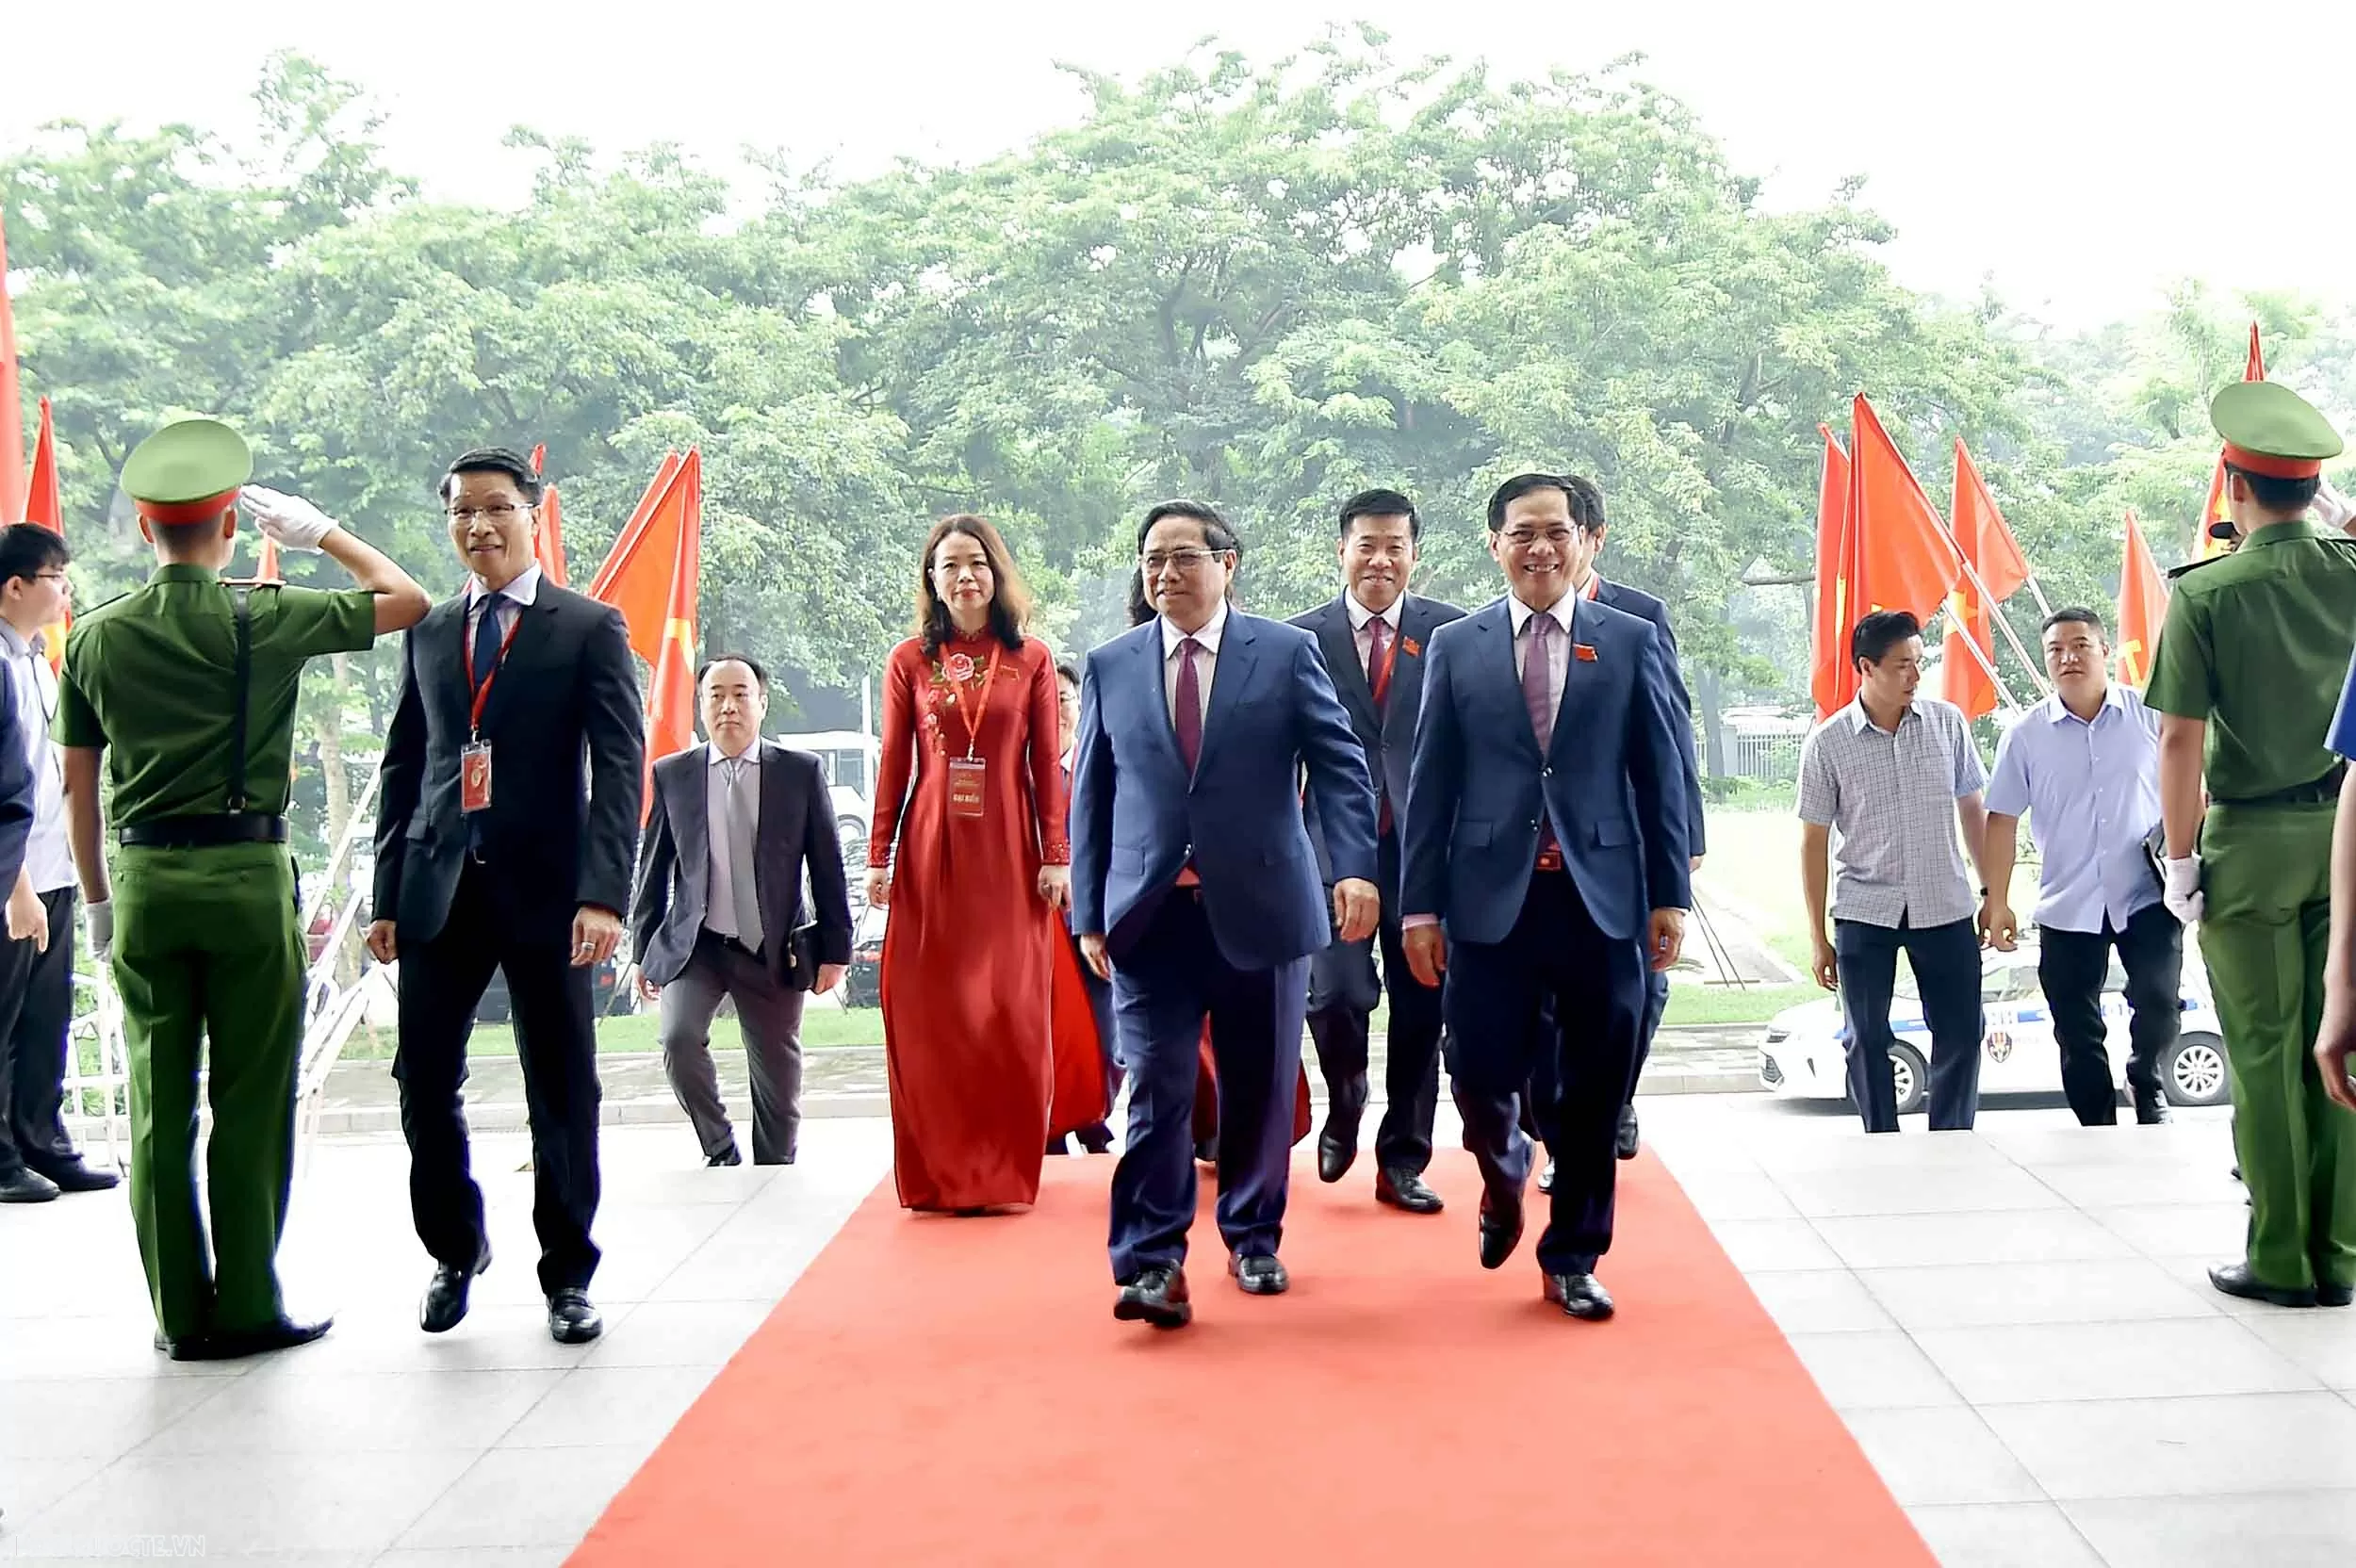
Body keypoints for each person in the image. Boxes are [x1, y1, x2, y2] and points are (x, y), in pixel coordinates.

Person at [55, 417, 430, 1358]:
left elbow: (78, 786)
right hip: (246, 879)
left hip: (141, 884)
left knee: (157, 1104)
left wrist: (99, 901)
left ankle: (180, 1314)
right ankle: (251, 1300)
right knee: (254, 1095)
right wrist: (324, 533)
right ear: (230, 525)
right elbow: (408, 599)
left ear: (146, 531)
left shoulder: (92, 636)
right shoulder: (264, 616)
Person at [1072, 499, 1379, 1329]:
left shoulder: (1284, 653)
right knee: (1158, 1087)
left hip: (1264, 911)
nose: (1166, 574)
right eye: (1152, 560)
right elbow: (1091, 795)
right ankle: (1152, 1261)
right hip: (1148, 920)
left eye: (1183, 557)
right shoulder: (1110, 664)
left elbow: (1341, 766)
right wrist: (1090, 911)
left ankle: (1252, 1235)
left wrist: (1352, 866)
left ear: (1227, 563)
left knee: (1259, 1085)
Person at [368, 447, 644, 1346]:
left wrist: (603, 896)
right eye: (460, 513)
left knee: (560, 1086)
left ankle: (568, 1275)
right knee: (420, 1082)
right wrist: (383, 893)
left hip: (551, 895)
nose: (477, 526)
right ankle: (454, 1248)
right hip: (439, 889)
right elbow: (407, 763)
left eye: (494, 509)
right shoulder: (433, 628)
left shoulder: (587, 626)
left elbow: (620, 766)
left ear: (532, 514)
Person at [1400, 472, 1690, 1323]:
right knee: (1481, 1068)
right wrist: (1420, 907)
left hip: (1601, 897)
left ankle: (1573, 1256)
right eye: (1522, 533)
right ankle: (1501, 1174)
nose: (1541, 548)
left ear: (1586, 540)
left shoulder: (1630, 640)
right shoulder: (1457, 645)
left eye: (1556, 532)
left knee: (1597, 1086)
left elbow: (1659, 772)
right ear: (1495, 545)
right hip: (1492, 898)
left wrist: (1669, 891)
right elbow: (1432, 784)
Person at [2151, 381, 2356, 1310]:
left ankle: (2280, 1256)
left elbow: (2178, 739)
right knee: (2340, 1043)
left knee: (2265, 1047)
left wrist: (2181, 860)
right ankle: (2341, 1250)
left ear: (2231, 485)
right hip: (2348, 828)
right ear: (2312, 488)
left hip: (2251, 840)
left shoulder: (2206, 591)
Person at [864, 514, 1088, 1213]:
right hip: (931, 848)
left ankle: (999, 1172)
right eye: (950, 565)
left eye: (978, 563)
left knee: (1007, 1009)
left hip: (1009, 849)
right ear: (932, 580)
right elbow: (896, 763)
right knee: (935, 1013)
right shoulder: (908, 661)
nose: (965, 577)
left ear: (998, 574)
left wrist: (1057, 855)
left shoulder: (1032, 659)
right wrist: (879, 856)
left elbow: (1045, 769)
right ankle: (940, 1172)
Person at [1285, 488, 1463, 1215]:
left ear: (1415, 554)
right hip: (1331, 851)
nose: (1380, 560)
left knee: (1424, 1006)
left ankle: (1404, 1159)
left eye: (1395, 546)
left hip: (1426, 853)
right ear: (1342, 551)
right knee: (1336, 993)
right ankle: (1347, 1095)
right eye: (1367, 545)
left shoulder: (1453, 634)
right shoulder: (1299, 639)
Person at [633, 655, 854, 1168]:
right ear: (701, 706)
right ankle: (720, 1148)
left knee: (778, 1086)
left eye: (740, 694)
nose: (729, 706)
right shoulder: (674, 774)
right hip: (698, 945)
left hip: (771, 948)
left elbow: (827, 866)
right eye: (716, 695)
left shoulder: (799, 773)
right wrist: (645, 951)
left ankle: (773, 1172)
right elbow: (653, 870)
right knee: (677, 1039)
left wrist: (835, 951)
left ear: (762, 703)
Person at [1796, 610, 1993, 1135]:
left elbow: (1973, 810)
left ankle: (1952, 1135)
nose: (1914, 675)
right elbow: (1813, 842)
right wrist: (1817, 937)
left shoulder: (1947, 723)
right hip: (1864, 909)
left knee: (1961, 1030)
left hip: (1944, 903)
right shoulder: (1828, 743)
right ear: (1867, 667)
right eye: (1902, 665)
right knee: (1866, 1036)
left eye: (1918, 663)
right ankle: (1879, 1136)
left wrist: (1993, 892)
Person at [1981, 608, 2179, 1127]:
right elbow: (2000, 819)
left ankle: (2145, 1077)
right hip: (2068, 905)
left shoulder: (2150, 715)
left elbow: (2188, 789)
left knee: (2160, 1003)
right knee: (2076, 1026)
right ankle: (2096, 1123)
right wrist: (1996, 899)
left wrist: (2187, 863)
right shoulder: (2025, 736)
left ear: (2104, 650)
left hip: (2148, 896)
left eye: (2080, 645)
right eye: (2056, 650)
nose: (2068, 657)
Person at [0, 524, 115, 1203]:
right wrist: (14, 884)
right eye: (55, 579)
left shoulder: (38, 657)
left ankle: (43, 1139)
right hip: (13, 878)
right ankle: (3, 1157)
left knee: (46, 1018)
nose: (65, 591)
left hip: (53, 869)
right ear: (15, 586)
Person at [1047, 660, 1121, 1157]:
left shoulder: (1103, 763)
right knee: (1051, 1035)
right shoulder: (1016, 775)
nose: (1054, 713)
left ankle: (1095, 1114)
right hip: (1039, 927)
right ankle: (1053, 1123)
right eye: (1042, 701)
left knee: (1107, 1033)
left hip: (1097, 917)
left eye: (1063, 701)